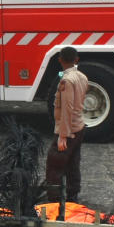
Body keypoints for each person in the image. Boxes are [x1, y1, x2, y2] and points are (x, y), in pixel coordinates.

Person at [45, 46, 88, 203]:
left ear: (60, 60)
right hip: (79, 127)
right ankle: (72, 196)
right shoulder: (81, 76)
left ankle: (54, 201)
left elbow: (67, 108)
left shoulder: (66, 81)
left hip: (68, 130)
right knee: (73, 164)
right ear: (77, 59)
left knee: (54, 165)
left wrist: (63, 135)